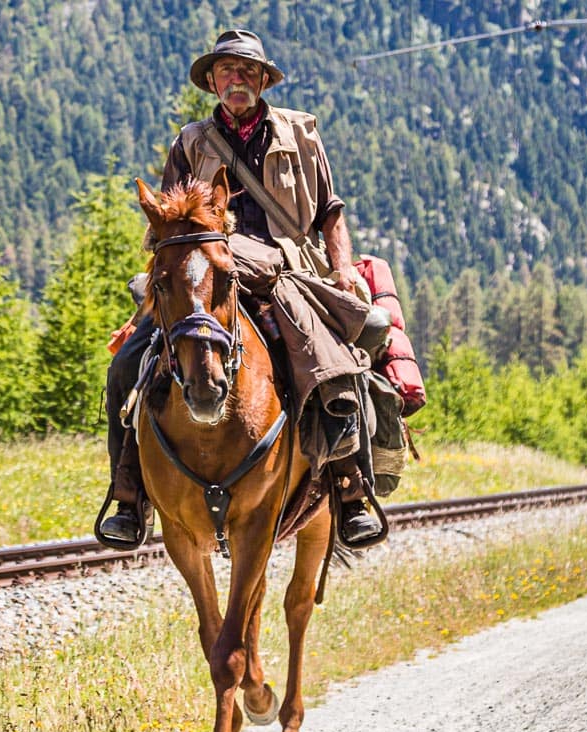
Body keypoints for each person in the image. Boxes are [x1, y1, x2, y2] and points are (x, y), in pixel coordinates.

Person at [100, 29, 383, 546]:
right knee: (126, 367)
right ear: (212, 81)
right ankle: (128, 495)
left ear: (262, 80)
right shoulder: (190, 143)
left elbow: (329, 211)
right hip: (207, 270)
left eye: (248, 71)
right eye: (227, 71)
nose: (237, 80)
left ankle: (349, 489)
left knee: (336, 361)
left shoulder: (300, 134)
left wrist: (341, 269)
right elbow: (164, 221)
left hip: (285, 267)